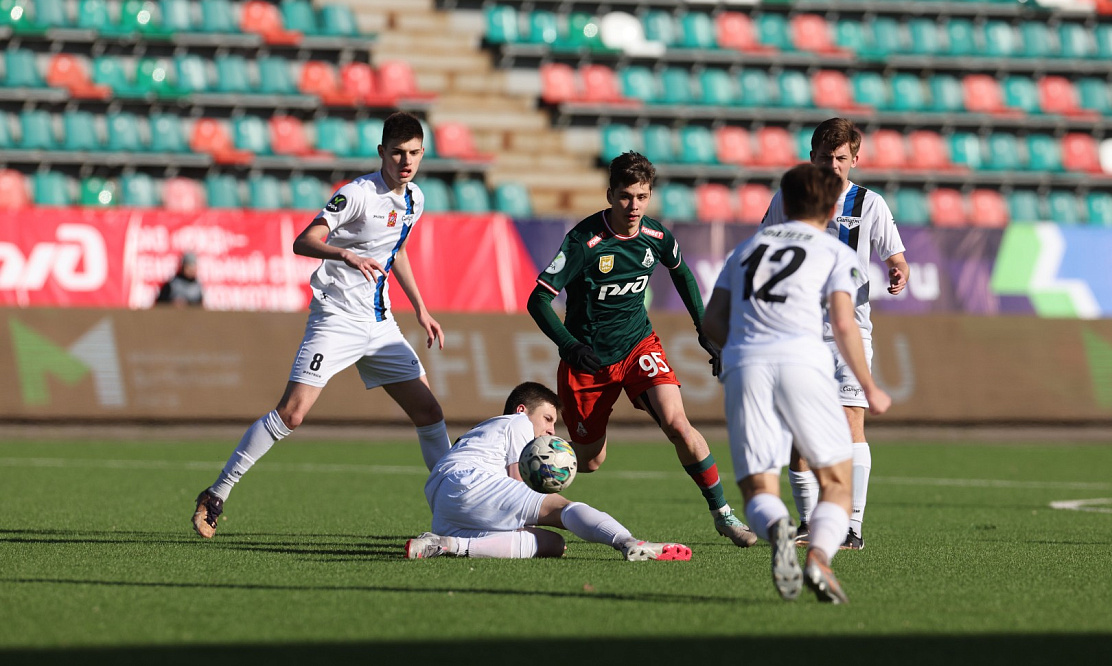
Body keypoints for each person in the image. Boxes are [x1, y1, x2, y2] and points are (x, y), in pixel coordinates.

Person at [191, 112, 451, 538]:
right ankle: (216, 494)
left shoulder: (414, 199)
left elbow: (395, 250)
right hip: (337, 319)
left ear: (423, 154)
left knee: (429, 411)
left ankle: (458, 509)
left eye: (414, 153)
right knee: (292, 414)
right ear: (382, 152)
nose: (406, 161)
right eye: (398, 153)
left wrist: (421, 308)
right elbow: (303, 241)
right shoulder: (357, 194)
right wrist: (345, 254)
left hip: (380, 323)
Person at [526, 151, 757, 549]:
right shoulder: (584, 241)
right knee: (589, 462)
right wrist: (570, 345)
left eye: (642, 197)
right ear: (610, 194)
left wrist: (706, 330)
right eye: (625, 196)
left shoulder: (656, 236)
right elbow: (538, 300)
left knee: (678, 424)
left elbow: (682, 272)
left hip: (638, 346)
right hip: (589, 361)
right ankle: (518, 479)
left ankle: (723, 515)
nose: (634, 206)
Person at [703, 163, 891, 603]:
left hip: (745, 364)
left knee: (758, 488)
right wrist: (870, 384)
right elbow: (844, 323)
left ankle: (779, 529)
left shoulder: (746, 250)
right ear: (830, 207)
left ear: (783, 203)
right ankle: (820, 557)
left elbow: (712, 321)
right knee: (837, 482)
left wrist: (742, 348)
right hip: (803, 362)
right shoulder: (834, 253)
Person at [758, 118, 909, 550]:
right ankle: (809, 522)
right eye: (826, 157)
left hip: (850, 331)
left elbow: (896, 255)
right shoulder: (787, 200)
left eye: (842, 158)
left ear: (854, 160)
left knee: (850, 423)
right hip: (798, 333)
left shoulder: (870, 204)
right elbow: (762, 251)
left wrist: (898, 269)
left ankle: (851, 526)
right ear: (812, 158)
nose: (834, 165)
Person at [405, 382, 692, 561]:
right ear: (521, 410)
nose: (551, 430)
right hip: (471, 483)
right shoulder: (516, 423)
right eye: (547, 418)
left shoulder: (482, 431)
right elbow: (518, 479)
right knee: (560, 508)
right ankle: (628, 542)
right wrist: (550, 492)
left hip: (444, 502)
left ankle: (445, 544)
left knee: (551, 544)